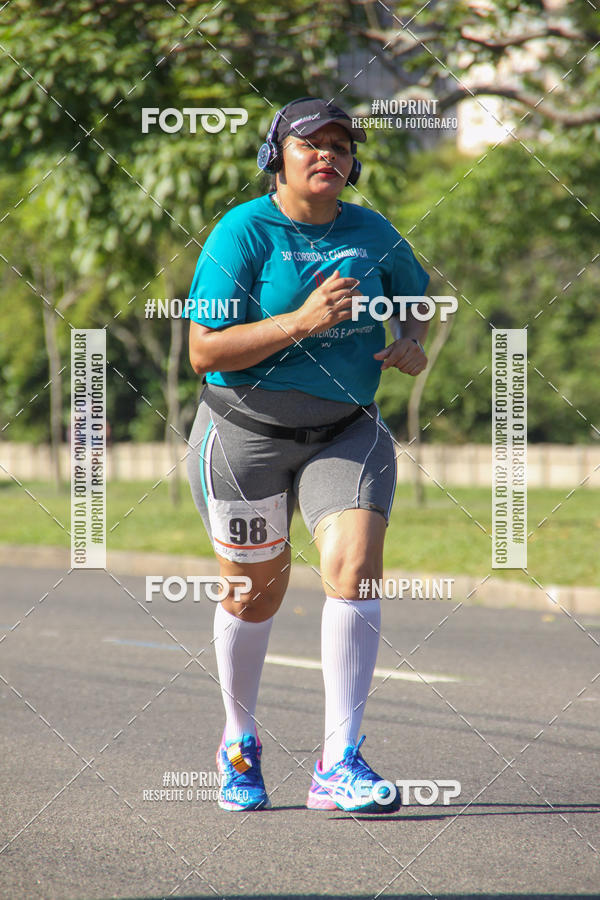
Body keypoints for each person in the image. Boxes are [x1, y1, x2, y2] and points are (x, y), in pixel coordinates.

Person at [185, 97, 430, 813]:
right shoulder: (243, 233)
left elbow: (416, 294)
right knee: (254, 592)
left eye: (341, 146)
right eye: (310, 144)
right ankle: (238, 744)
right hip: (243, 435)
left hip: (345, 430)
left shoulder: (372, 231)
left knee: (354, 568)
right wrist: (300, 320)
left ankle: (339, 763)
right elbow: (203, 352)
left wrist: (412, 339)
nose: (329, 155)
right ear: (276, 158)